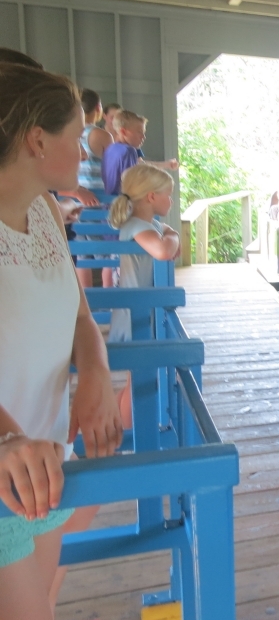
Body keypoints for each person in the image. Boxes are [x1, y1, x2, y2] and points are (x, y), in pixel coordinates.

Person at [0, 62, 122, 620]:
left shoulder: (44, 213)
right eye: (76, 136)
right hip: (6, 472)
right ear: (35, 141)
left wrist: (95, 368)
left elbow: (75, 307)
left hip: (39, 465)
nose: (86, 151)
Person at [107, 165, 179, 427]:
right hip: (135, 315)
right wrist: (173, 236)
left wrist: (169, 237)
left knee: (135, 378)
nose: (171, 200)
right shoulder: (137, 226)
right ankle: (130, 437)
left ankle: (116, 428)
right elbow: (163, 251)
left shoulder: (149, 225)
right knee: (138, 381)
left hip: (140, 311)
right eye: (167, 194)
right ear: (151, 197)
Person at [75, 89, 116, 289]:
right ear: (99, 109)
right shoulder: (101, 135)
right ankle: (112, 302)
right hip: (97, 200)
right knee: (106, 254)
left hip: (73, 202)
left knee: (81, 254)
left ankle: (87, 302)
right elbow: (113, 172)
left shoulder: (67, 134)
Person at [102, 111, 178, 196]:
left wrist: (166, 164)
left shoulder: (111, 149)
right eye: (139, 132)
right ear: (123, 132)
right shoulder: (129, 151)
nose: (143, 137)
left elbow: (139, 165)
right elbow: (131, 183)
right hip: (123, 203)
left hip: (110, 202)